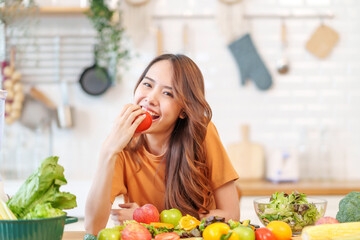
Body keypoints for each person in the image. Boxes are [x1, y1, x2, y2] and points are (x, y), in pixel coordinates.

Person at [85, 54, 239, 235]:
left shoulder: (202, 133)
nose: (150, 99)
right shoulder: (122, 144)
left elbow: (231, 215)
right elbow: (93, 228)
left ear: (183, 110)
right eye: (147, 84)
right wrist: (108, 150)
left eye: (168, 93)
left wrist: (148, 219)